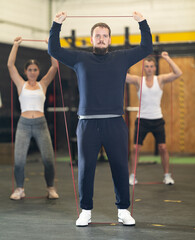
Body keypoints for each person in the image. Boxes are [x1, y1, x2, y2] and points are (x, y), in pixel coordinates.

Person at [48, 11, 153, 227]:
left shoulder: (122, 57)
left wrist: (142, 23)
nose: (102, 39)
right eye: (98, 35)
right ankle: (85, 211)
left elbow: (146, 48)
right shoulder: (80, 58)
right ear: (92, 39)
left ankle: (123, 210)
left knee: (120, 168)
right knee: (86, 169)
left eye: (105, 35)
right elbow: (54, 49)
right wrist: (56, 25)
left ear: (110, 39)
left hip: (115, 122)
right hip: (87, 123)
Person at [7, 37, 59, 200]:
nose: (32, 72)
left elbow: (55, 66)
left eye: (35, 69)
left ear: (38, 71)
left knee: (49, 159)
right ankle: (20, 189)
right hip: (24, 125)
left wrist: (50, 47)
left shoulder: (43, 84)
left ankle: (50, 188)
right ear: (25, 71)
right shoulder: (20, 84)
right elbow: (10, 65)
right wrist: (15, 45)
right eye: (30, 69)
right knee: (19, 160)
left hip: (40, 125)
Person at [126, 52, 182, 185]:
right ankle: (132, 175)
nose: (149, 68)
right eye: (147, 66)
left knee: (163, 147)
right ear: (143, 68)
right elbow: (120, 76)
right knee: (136, 148)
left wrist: (167, 58)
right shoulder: (138, 80)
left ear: (155, 68)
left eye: (151, 66)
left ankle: (167, 175)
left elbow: (178, 73)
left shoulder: (160, 79)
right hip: (142, 120)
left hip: (157, 119)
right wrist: (126, 59)